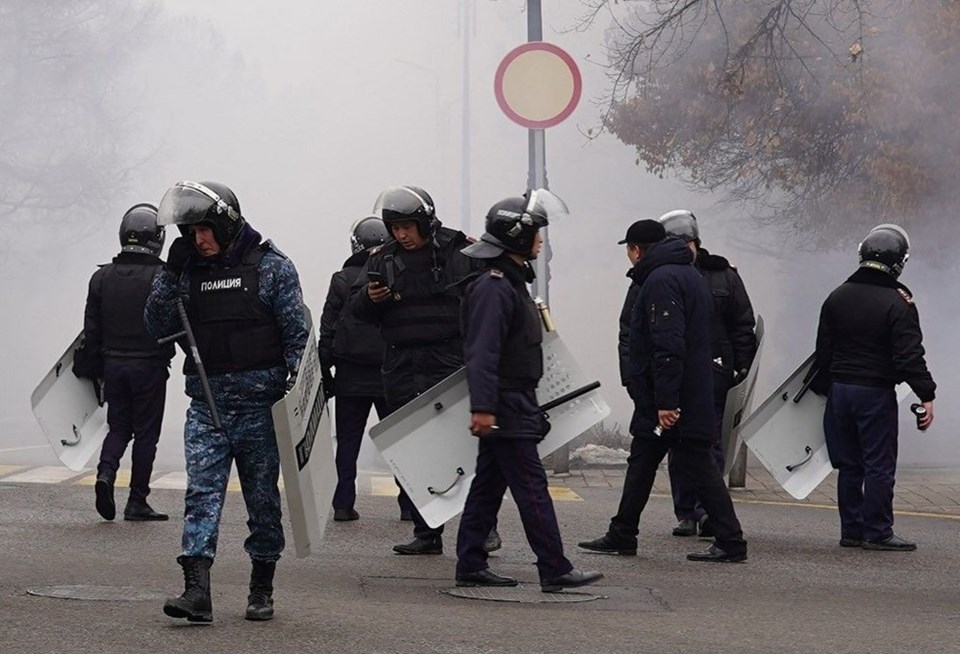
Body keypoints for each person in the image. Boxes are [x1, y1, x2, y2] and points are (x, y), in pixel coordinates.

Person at [146, 180, 308, 623]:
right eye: (191, 233)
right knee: (201, 495)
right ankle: (196, 591)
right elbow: (156, 324)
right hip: (207, 406)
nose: (198, 240)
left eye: (205, 230)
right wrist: (168, 275)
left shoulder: (272, 268)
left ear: (226, 224)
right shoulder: (187, 272)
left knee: (262, 501)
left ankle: (261, 587)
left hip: (260, 408)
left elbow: (297, 336)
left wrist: (299, 395)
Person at [455, 192, 603, 592]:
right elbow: (483, 352)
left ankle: (470, 561)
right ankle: (554, 567)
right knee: (532, 487)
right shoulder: (495, 286)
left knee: (488, 485)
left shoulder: (509, 281)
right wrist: (484, 407)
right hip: (505, 401)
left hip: (512, 399)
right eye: (536, 232)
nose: (541, 239)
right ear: (517, 236)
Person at [579, 220, 748, 563]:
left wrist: (666, 403)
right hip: (674, 395)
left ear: (637, 250)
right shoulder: (687, 274)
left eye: (628, 250)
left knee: (699, 464)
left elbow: (668, 344)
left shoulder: (661, 280)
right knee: (643, 462)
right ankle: (622, 532)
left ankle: (731, 540)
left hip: (672, 400)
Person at [350, 185, 500, 555]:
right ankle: (426, 531)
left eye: (408, 227)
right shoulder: (381, 258)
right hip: (402, 364)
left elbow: (492, 293)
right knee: (414, 452)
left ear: (425, 222)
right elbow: (355, 310)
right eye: (396, 227)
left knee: (464, 450)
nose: (402, 235)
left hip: (449, 360)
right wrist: (370, 300)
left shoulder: (459, 251)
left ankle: (484, 528)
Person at [813, 224, 935, 551]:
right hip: (874, 394)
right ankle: (878, 531)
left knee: (849, 465)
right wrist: (927, 394)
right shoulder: (898, 302)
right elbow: (910, 355)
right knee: (878, 465)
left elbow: (822, 352)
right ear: (899, 262)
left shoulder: (836, 295)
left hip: (840, 391)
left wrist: (829, 388)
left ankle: (851, 531)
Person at [658, 209, 758, 538]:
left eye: (685, 243)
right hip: (677, 372)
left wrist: (742, 366)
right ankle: (686, 511)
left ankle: (708, 513)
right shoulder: (664, 275)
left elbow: (743, 324)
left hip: (714, 374)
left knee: (708, 445)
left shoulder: (724, 276)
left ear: (696, 243)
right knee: (678, 447)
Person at [82, 203, 174, 522]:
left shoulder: (101, 278)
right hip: (150, 368)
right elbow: (176, 323)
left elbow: (91, 332)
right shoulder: (164, 277)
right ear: (157, 239)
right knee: (147, 434)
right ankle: (137, 500)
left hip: (113, 367)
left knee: (118, 427)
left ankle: (105, 474)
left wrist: (93, 372)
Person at [319, 216, 391, 522]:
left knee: (348, 441)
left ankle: (343, 503)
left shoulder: (342, 279)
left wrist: (325, 374)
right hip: (390, 374)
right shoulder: (395, 274)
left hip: (350, 375)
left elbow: (328, 330)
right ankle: (408, 506)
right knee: (398, 441)